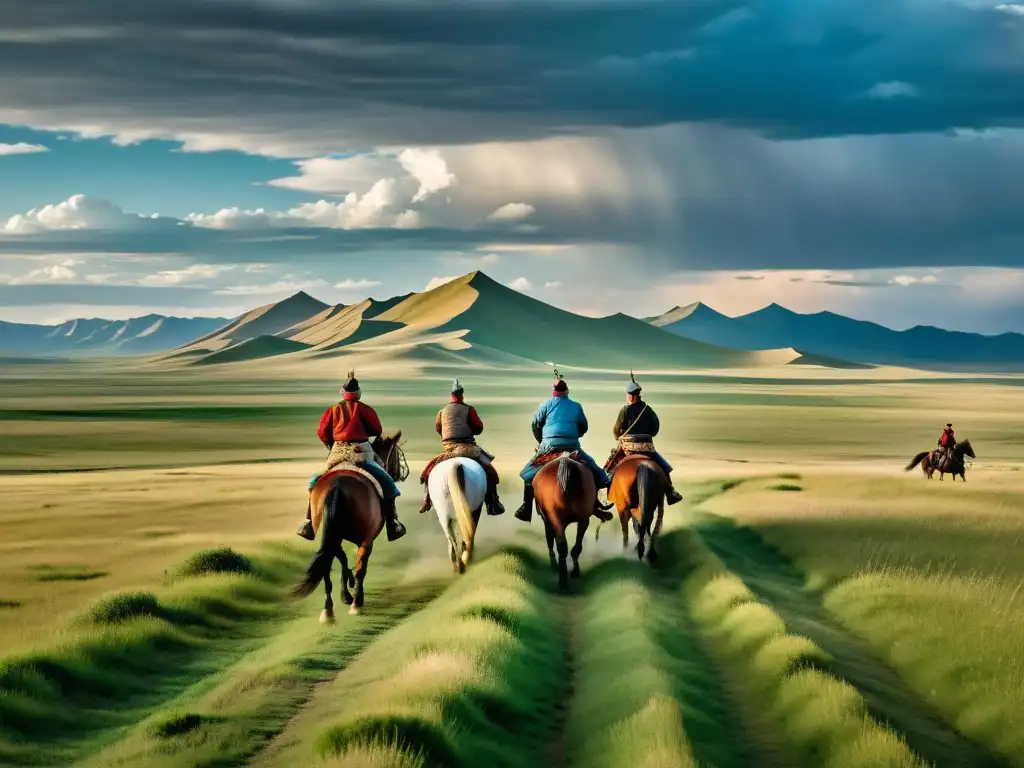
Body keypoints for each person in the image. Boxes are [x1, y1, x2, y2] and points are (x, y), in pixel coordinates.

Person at [295, 371, 407, 542]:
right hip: (361, 453)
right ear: (358, 393)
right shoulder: (365, 409)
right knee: (387, 481)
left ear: (343, 392)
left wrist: (331, 443)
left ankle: (308, 523)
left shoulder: (332, 410)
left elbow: (322, 433)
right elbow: (377, 430)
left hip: (337, 453)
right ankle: (393, 523)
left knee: (315, 481)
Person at [514, 370, 613, 523]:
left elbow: (535, 424)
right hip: (572, 445)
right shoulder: (576, 406)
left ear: (553, 392)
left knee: (527, 473)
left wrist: (541, 439)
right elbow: (584, 427)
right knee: (594, 469)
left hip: (549, 446)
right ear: (567, 391)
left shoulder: (545, 405)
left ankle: (526, 508)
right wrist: (575, 435)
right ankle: (595, 504)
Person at [418, 379, 505, 516]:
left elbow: (438, 429)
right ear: (462, 395)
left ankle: (426, 500)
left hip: (449, 449)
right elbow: (478, 428)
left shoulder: (441, 412)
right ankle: (493, 501)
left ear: (451, 395)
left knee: (429, 471)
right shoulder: (469, 409)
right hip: (468, 448)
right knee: (491, 472)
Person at [609, 373, 684, 505]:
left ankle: (609, 490)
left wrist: (618, 436)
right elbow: (655, 428)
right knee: (663, 466)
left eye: (630, 394)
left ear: (633, 395)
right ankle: (670, 493)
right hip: (647, 449)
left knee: (610, 466)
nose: (630, 396)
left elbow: (616, 430)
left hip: (628, 449)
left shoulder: (625, 411)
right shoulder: (648, 410)